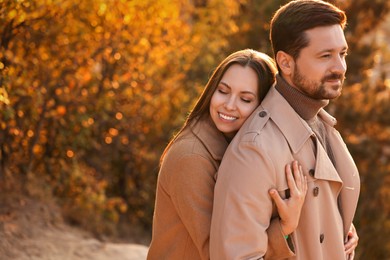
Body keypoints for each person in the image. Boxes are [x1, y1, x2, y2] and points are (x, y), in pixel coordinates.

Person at [210, 1, 360, 259]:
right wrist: (286, 232)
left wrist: (336, 226)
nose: (340, 67)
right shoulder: (254, 149)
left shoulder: (322, 124)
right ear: (286, 63)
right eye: (325, 56)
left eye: (342, 54)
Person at [147, 49, 308, 260]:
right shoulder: (191, 158)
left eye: (245, 99)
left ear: (263, 107)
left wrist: (342, 228)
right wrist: (285, 227)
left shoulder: (251, 153)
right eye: (223, 91)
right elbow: (221, 252)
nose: (229, 105)